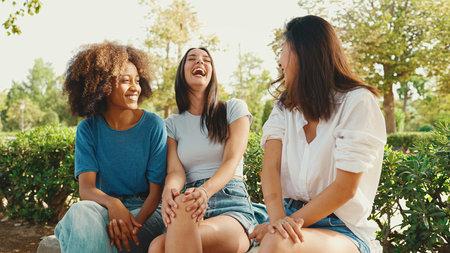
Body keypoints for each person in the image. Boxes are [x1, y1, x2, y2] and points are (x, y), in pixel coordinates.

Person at [249, 15, 386, 253]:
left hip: (341, 227)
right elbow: (270, 167)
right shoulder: (284, 107)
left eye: (283, 49)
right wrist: (278, 220)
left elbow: (345, 188)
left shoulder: (357, 102)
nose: (279, 61)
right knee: (274, 239)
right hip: (287, 213)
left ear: (304, 52)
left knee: (277, 243)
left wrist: (283, 228)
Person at [54, 41, 167, 253]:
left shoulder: (154, 125)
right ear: (103, 86)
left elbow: (156, 194)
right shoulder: (88, 129)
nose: (135, 87)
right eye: (126, 81)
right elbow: (86, 189)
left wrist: (131, 226)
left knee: (94, 238)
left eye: (137, 80)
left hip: (147, 213)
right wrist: (114, 205)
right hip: (104, 209)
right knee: (80, 212)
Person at [148, 47, 258, 253]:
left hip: (230, 203)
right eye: (192, 59)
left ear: (212, 72)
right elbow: (175, 171)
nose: (200, 62)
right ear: (182, 72)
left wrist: (205, 192)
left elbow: (231, 160)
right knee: (156, 246)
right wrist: (169, 193)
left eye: (206, 60)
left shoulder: (233, 109)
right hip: (191, 204)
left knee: (164, 247)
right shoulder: (171, 124)